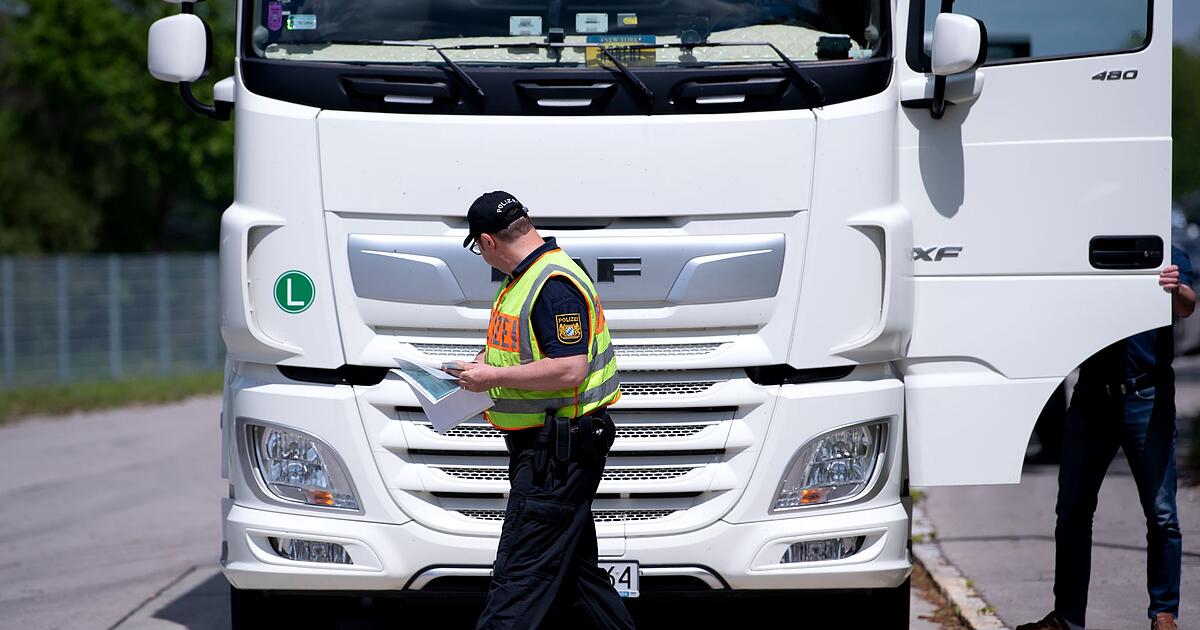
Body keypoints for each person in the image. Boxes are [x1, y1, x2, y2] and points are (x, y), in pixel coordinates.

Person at [447, 191, 636, 630]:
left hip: (555, 456)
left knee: (519, 582)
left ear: (489, 242)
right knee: (577, 581)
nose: (482, 256)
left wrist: (489, 379)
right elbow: (520, 349)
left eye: (478, 248)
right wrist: (479, 366)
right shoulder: (529, 275)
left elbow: (569, 369)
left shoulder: (551, 283)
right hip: (554, 450)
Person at [1018, 245, 1195, 630]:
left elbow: (1186, 306)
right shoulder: (1087, 244)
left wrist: (1175, 287)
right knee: (1072, 513)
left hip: (1146, 395)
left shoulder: (1163, 246)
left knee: (1162, 513)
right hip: (1091, 397)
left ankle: (1164, 613)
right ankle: (1067, 617)